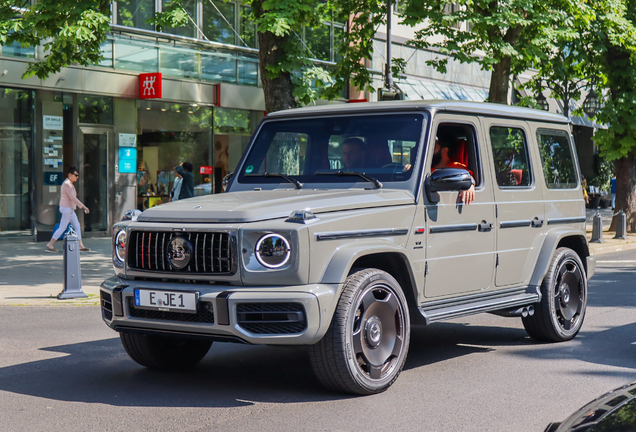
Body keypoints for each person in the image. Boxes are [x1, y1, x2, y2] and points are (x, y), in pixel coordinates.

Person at [45, 166, 91, 252]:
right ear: (70, 175)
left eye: (77, 175)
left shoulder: (69, 184)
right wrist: (84, 206)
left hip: (69, 209)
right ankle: (50, 244)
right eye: (76, 175)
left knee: (77, 225)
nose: (77, 177)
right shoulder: (67, 185)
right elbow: (73, 198)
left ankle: (80, 245)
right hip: (67, 209)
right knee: (62, 227)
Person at [431, 132, 476, 205]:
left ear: (444, 150)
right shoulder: (425, 167)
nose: (430, 151)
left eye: (434, 147)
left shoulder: (456, 167)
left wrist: (470, 185)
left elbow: (468, 177)